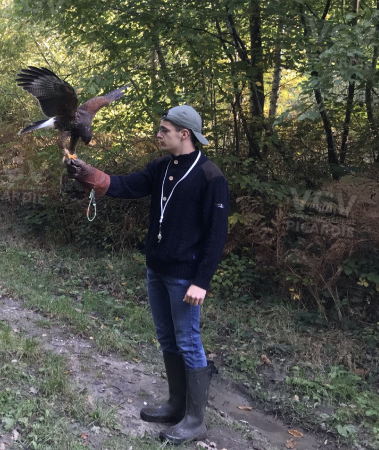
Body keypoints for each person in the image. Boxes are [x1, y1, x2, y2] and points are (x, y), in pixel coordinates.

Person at [65, 105, 229, 444]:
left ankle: (195, 420)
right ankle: (175, 405)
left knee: (187, 340)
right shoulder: (161, 167)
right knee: (167, 339)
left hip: (185, 276)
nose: (158, 134)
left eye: (164, 129)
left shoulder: (210, 176)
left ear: (185, 134)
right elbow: (124, 186)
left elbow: (216, 235)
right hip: (156, 268)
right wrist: (87, 174)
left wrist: (201, 281)